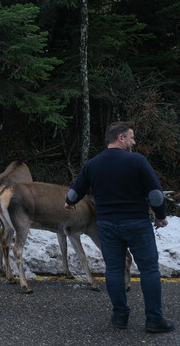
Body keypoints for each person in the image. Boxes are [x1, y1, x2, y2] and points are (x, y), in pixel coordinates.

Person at [64, 122, 174, 333]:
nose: (134, 141)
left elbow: (73, 194)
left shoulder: (92, 164)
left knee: (113, 270)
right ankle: (154, 320)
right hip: (137, 224)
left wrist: (69, 203)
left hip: (106, 225)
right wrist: (160, 217)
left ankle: (120, 317)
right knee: (149, 269)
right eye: (131, 137)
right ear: (121, 138)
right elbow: (156, 195)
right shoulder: (137, 161)